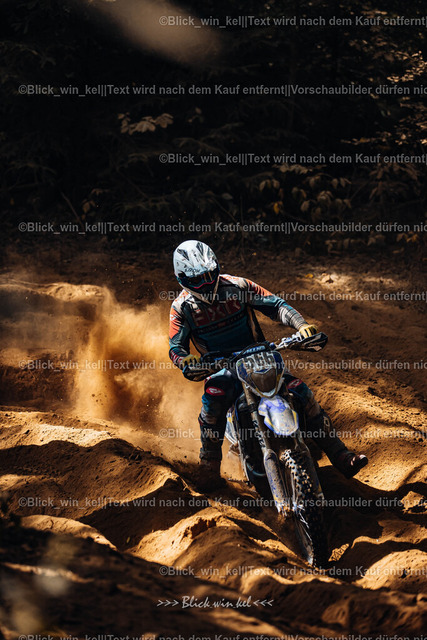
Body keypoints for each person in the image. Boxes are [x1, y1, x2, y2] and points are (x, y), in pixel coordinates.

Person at [169, 240, 368, 490]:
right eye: (197, 280)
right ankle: (209, 466)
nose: (206, 283)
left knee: (300, 391)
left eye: (209, 275)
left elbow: (276, 305)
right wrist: (185, 360)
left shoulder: (238, 286)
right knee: (213, 400)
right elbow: (175, 347)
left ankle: (340, 455)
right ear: (183, 279)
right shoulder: (181, 308)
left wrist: (301, 326)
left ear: (217, 268)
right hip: (221, 367)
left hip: (259, 356)